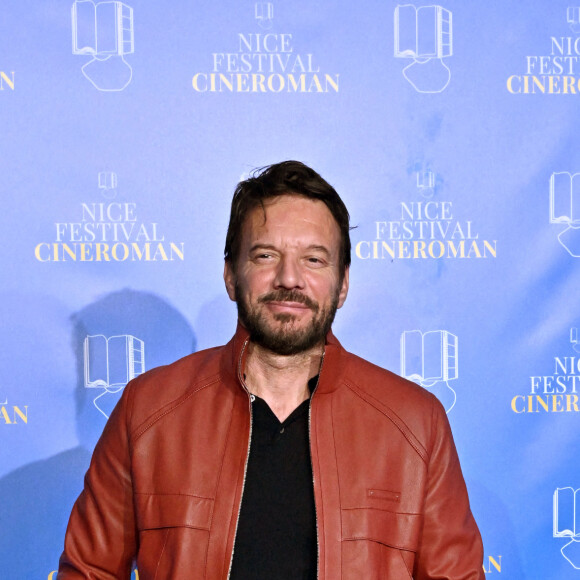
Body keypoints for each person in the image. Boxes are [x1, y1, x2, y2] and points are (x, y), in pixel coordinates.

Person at [58, 161, 484, 579]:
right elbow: (89, 572)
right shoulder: (148, 410)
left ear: (343, 284)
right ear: (231, 275)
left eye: (314, 260)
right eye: (266, 255)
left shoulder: (415, 423)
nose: (289, 278)